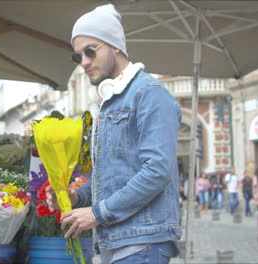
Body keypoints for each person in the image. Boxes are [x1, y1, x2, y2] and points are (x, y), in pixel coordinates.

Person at [46, 4, 182, 263]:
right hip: (118, 243)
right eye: (78, 57)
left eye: (90, 51)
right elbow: (111, 176)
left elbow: (157, 170)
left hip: (143, 243)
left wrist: (97, 213)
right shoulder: (109, 101)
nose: (84, 62)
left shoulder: (148, 93)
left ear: (115, 46)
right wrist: (78, 196)